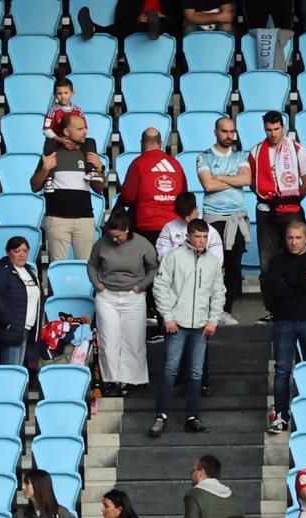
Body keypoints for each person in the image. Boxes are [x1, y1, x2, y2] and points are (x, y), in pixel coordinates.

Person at [150, 219, 224, 437]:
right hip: (178, 325)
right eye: (198, 236)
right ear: (188, 237)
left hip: (201, 325)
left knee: (195, 372)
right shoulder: (173, 257)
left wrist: (213, 320)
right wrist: (168, 316)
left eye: (205, 237)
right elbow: (160, 287)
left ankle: (192, 416)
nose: (202, 241)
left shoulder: (212, 262)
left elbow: (218, 292)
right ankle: (161, 414)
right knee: (170, 369)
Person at [260, 219, 306, 434]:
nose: (294, 242)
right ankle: (281, 415)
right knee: (282, 370)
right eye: (290, 238)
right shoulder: (277, 262)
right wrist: (301, 282)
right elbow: (273, 289)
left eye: (298, 238)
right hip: (284, 321)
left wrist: (288, 282)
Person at [89, 214, 157, 399]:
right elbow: (92, 265)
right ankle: (111, 380)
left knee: (133, 339)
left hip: (133, 296)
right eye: (112, 235)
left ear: (127, 229)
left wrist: (141, 286)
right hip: (107, 295)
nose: (114, 239)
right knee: (108, 339)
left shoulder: (142, 244)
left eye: (118, 235)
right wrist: (97, 284)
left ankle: (133, 380)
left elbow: (153, 267)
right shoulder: (102, 243)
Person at [195, 116, 250, 320]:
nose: (229, 136)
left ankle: (226, 310)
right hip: (214, 219)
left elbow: (247, 179)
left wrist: (220, 177)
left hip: (236, 218)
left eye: (232, 132)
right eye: (224, 131)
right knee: (211, 266)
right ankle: (208, 309)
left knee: (234, 267)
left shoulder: (240, 156)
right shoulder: (204, 157)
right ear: (216, 132)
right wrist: (234, 180)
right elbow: (208, 185)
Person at [33, 112, 107, 264]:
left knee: (86, 267)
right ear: (67, 132)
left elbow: (99, 187)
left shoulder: (88, 153)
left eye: (85, 128)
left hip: (84, 220)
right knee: (58, 267)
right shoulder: (51, 153)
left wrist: (99, 168)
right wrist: (45, 169)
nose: (85, 131)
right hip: (57, 220)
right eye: (80, 129)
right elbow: (34, 186)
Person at [248, 112, 306, 274]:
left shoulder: (297, 149)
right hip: (265, 209)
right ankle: (271, 295)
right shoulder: (255, 152)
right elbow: (251, 181)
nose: (273, 133)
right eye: (269, 130)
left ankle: (297, 291)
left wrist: (293, 199)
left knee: (295, 250)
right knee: (267, 255)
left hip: (291, 209)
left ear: (283, 127)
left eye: (276, 129)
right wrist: (268, 198)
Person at [0, 236, 45, 369]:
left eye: (25, 251)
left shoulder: (29, 271)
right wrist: (9, 319)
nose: (22, 254)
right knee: (11, 371)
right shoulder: (2, 270)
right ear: (8, 252)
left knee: (18, 370)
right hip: (11, 329)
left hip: (26, 329)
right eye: (17, 251)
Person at [120, 128, 187, 249]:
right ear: (160, 143)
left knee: (149, 266)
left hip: (147, 226)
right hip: (174, 227)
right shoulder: (175, 164)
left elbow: (127, 197)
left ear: (141, 143)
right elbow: (184, 197)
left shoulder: (138, 163)